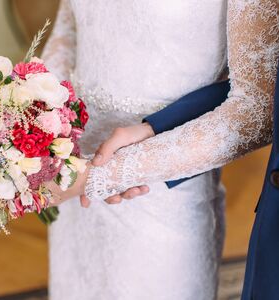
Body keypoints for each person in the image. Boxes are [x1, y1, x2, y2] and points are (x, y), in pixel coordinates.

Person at [42, 0, 278, 299]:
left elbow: (256, 111)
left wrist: (100, 176)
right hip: (71, 159)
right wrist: (44, 114)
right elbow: (69, 27)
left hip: (160, 187)